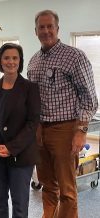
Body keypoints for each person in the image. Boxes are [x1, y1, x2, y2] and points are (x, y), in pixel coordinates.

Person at [27, 10, 98, 218]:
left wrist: (81, 131)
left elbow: (89, 98)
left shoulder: (74, 56)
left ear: (58, 29)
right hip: (41, 130)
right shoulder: (33, 61)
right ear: (36, 31)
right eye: (42, 27)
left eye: (50, 26)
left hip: (65, 129)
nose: (46, 31)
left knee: (67, 190)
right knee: (48, 185)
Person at [0, 43, 41, 218]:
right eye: (6, 58)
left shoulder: (30, 88)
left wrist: (11, 148)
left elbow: (32, 123)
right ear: (0, 60)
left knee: (20, 204)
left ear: (20, 61)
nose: (11, 62)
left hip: (21, 155)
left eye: (15, 58)